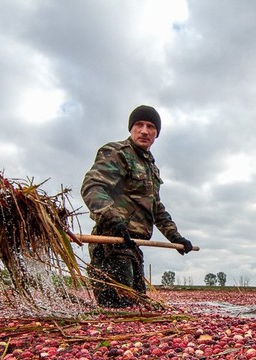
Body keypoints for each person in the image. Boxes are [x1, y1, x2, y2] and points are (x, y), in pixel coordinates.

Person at [81, 105, 193, 307]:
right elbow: (93, 187)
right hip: (111, 242)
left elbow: (155, 207)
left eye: (151, 127)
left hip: (132, 245)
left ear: (156, 133)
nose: (144, 131)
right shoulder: (116, 153)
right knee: (119, 309)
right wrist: (112, 219)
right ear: (131, 128)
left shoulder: (151, 168)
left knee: (138, 306)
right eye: (139, 125)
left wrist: (175, 236)